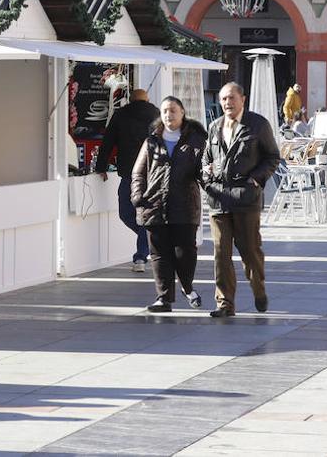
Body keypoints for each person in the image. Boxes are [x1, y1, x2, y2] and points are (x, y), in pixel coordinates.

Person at [202, 82, 281, 318]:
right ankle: (224, 303)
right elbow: (207, 158)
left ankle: (258, 289)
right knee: (220, 253)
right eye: (224, 98)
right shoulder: (214, 127)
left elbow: (272, 157)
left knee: (250, 252)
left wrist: (256, 179)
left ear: (242, 99)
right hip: (218, 200)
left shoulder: (257, 124)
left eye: (232, 98)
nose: (227, 103)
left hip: (246, 200)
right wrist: (206, 174)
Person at [131, 96, 207, 313]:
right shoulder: (152, 141)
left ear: (182, 112)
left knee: (185, 253)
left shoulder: (197, 140)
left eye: (173, 110)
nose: (168, 115)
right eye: (164, 111)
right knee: (159, 255)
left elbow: (203, 172)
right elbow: (138, 172)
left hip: (185, 206)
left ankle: (186, 285)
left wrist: (210, 182)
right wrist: (138, 196)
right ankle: (164, 298)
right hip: (154, 205)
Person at [98, 89, 160, 272]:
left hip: (128, 173)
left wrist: (101, 166)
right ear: (147, 99)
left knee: (125, 213)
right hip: (152, 173)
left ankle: (141, 255)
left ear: (130, 100)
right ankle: (150, 241)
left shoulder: (121, 114)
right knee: (146, 217)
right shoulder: (158, 114)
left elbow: (107, 141)